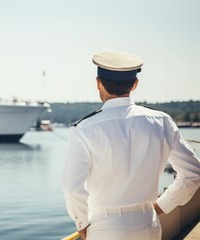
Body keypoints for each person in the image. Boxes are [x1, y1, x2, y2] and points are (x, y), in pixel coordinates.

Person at [62, 50, 200, 240]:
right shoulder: (162, 121)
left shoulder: (84, 128)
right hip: (148, 225)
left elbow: (72, 188)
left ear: (98, 83)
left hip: (105, 227)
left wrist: (82, 223)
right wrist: (163, 205)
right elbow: (194, 174)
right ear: (134, 84)